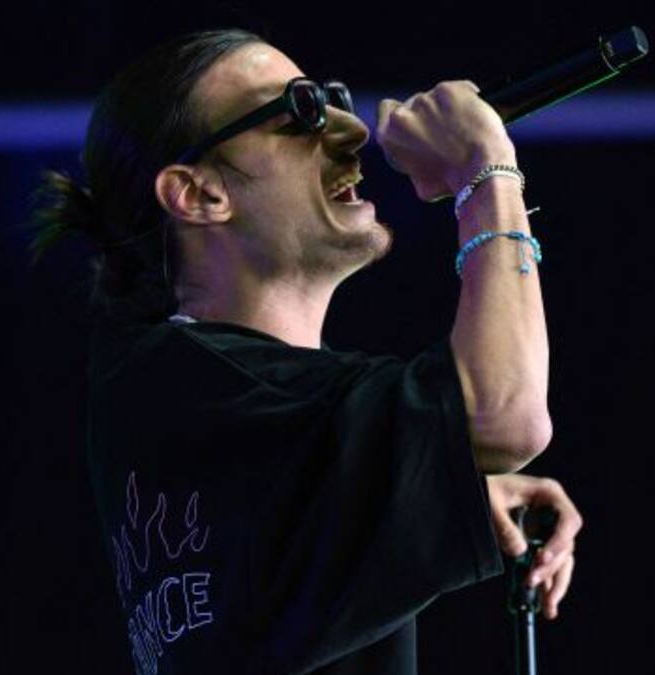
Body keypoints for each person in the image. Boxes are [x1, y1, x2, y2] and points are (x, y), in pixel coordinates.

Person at [31, 28, 583, 675]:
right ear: (199, 193)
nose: (352, 130)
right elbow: (504, 416)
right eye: (301, 109)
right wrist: (486, 172)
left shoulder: (184, 404)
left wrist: (429, 473)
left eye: (334, 100)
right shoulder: (195, 385)